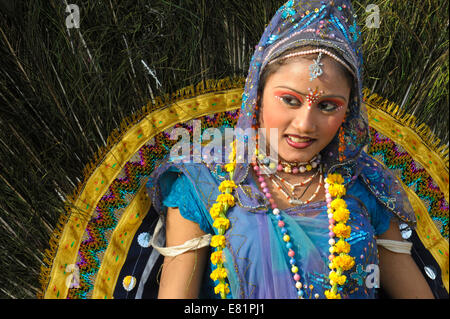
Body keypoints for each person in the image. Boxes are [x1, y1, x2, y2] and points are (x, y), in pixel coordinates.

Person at [146, 0, 434, 299]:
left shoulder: (365, 184)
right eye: (290, 100)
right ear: (257, 95)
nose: (305, 124)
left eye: (327, 106)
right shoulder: (205, 184)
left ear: (348, 111)